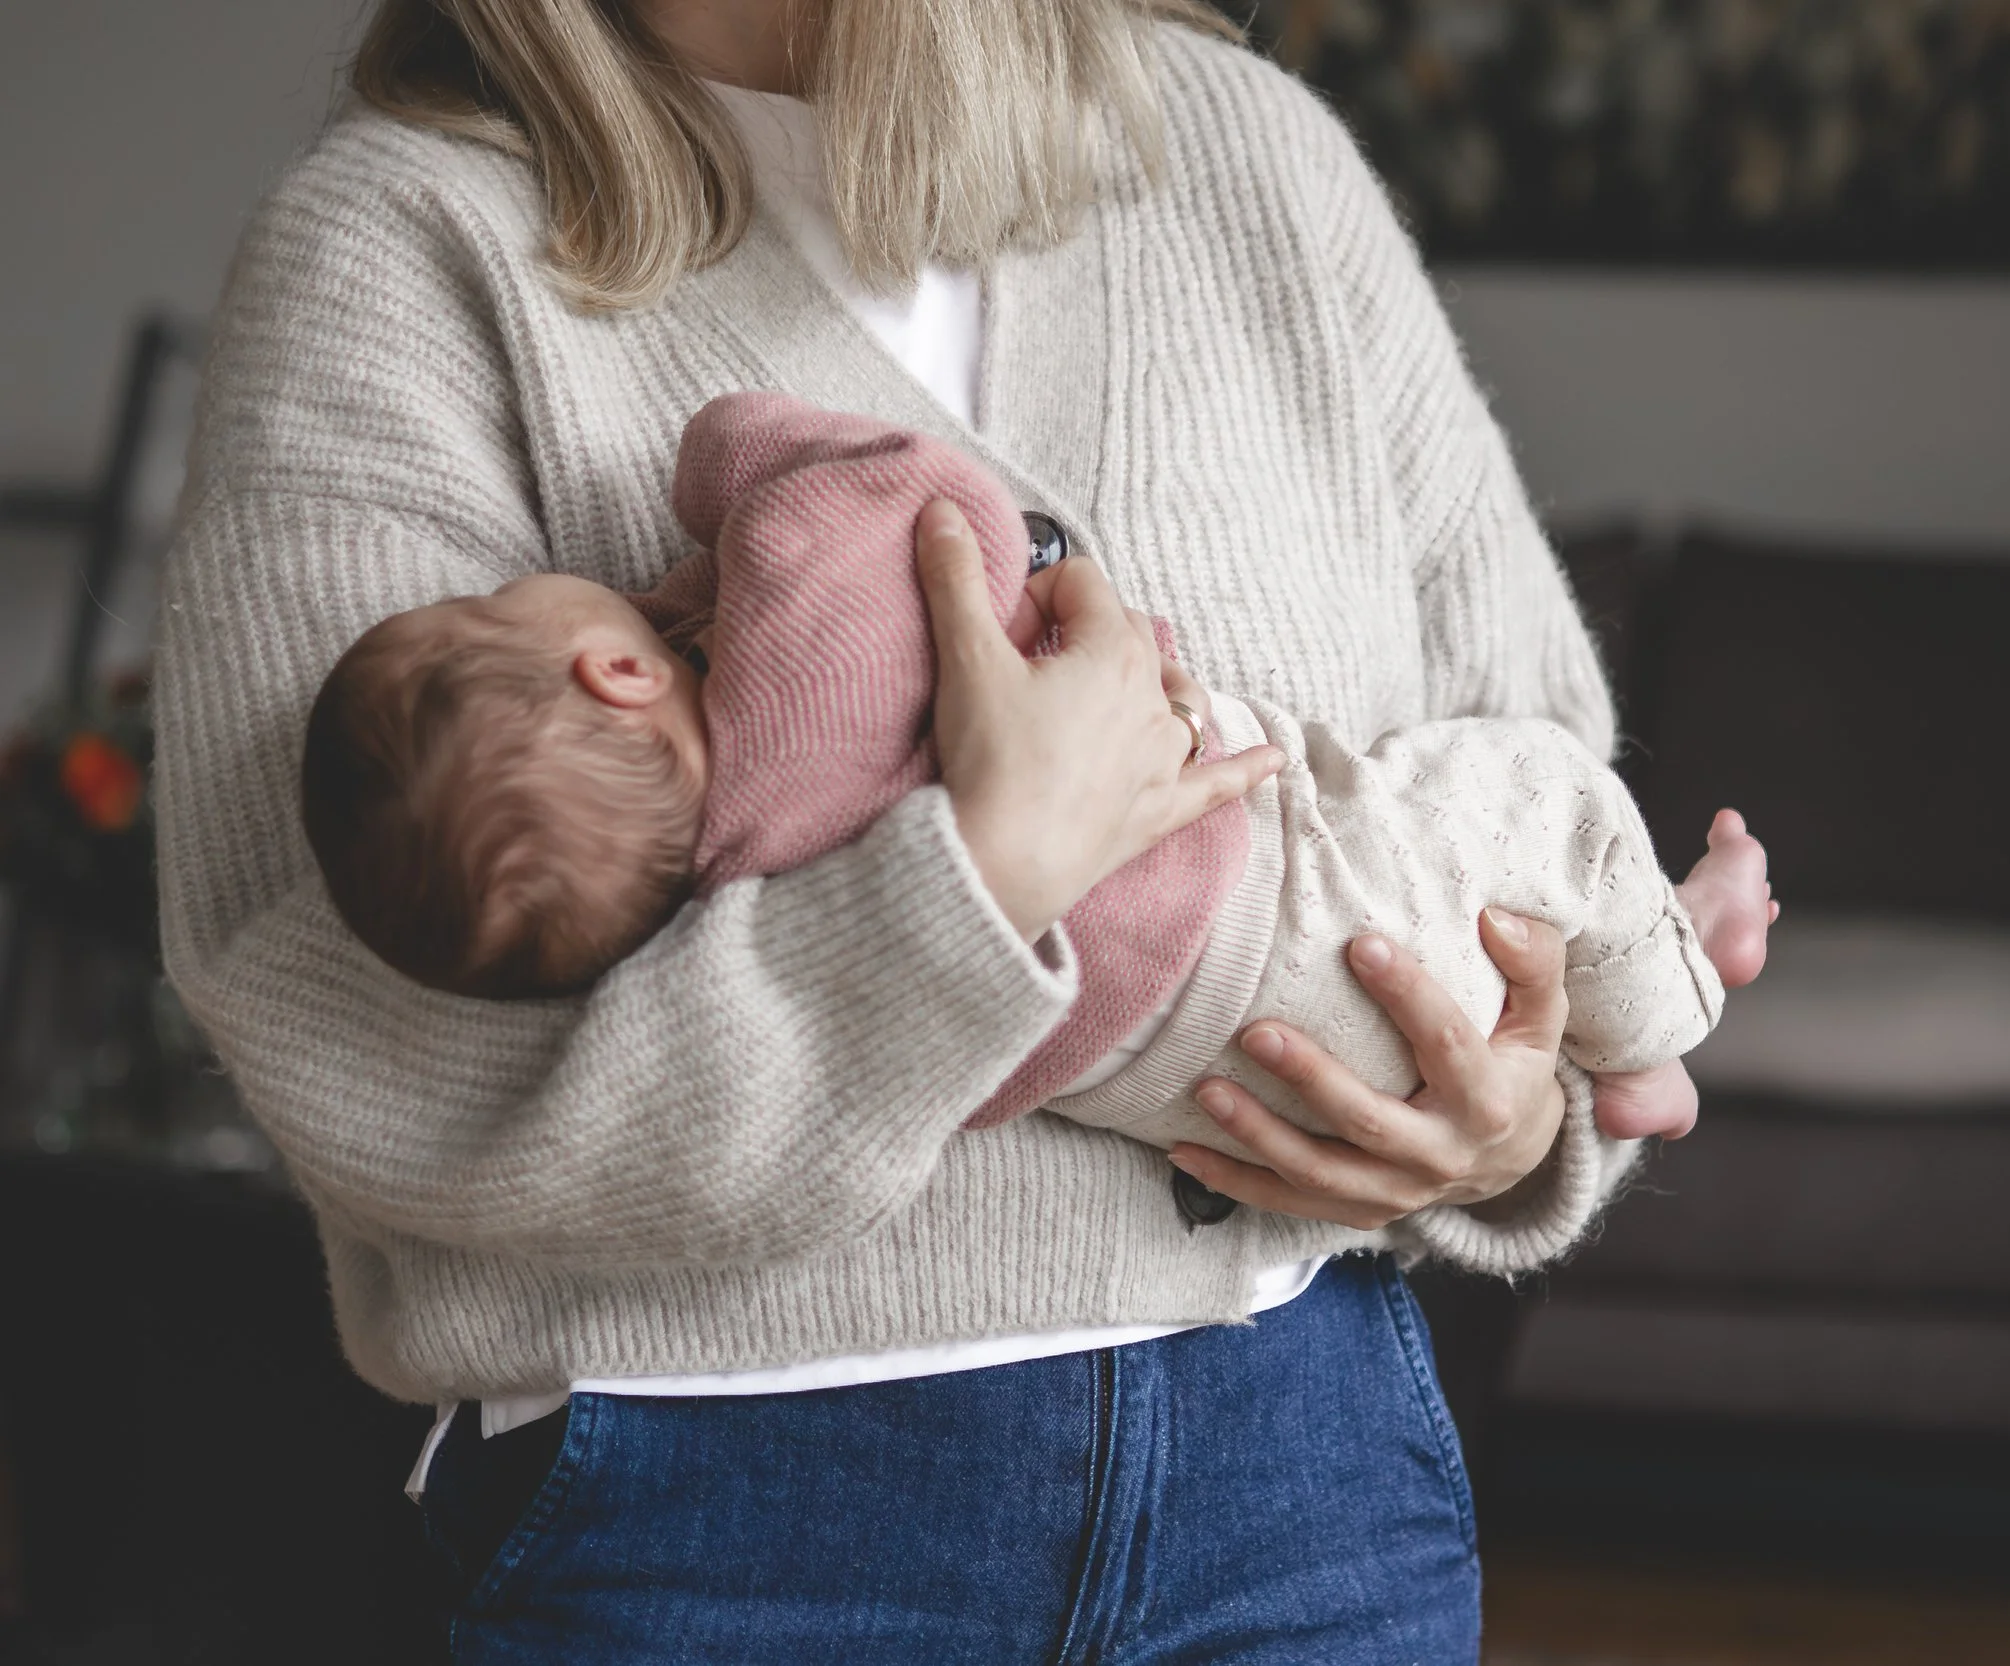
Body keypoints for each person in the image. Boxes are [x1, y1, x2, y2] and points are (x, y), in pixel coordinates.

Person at [152, 0, 1773, 1657]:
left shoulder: (1248, 161)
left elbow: (1538, 772)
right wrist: (972, 894)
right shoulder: (402, 243)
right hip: (726, 1511)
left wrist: (1514, 1127)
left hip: (1305, 1477)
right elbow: (363, 1049)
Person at [296, 391, 1770, 1146]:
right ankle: (1654, 1016)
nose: (534, 579)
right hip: (1306, 919)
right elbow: (889, 485)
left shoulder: (737, 897)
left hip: (1197, 1093)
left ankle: (1612, 1025)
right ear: (614, 668)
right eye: (501, 602)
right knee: (1537, 786)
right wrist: (718, 480)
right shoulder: (802, 640)